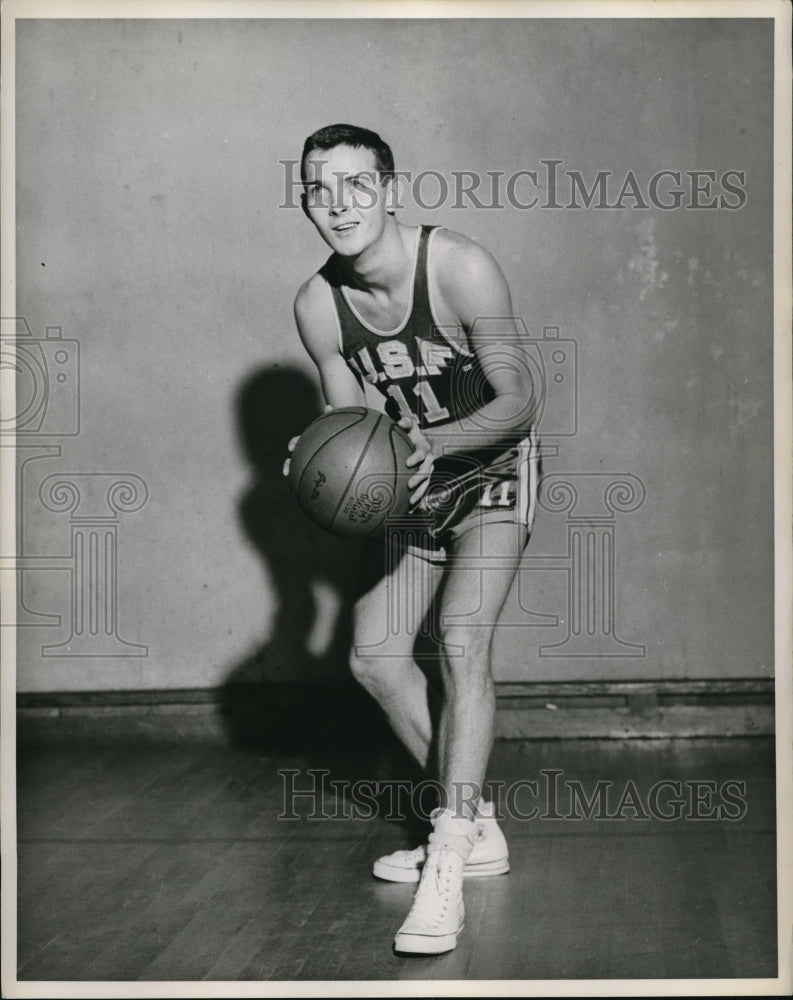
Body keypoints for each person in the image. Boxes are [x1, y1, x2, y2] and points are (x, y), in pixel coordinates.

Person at [283, 124, 540, 955]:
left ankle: (447, 861)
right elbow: (348, 421)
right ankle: (475, 823)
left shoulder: (458, 265)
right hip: (413, 479)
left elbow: (518, 398)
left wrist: (439, 444)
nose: (337, 205)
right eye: (318, 188)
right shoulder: (317, 306)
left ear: (391, 189)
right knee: (374, 658)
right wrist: (312, 456)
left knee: (459, 638)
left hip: (492, 464)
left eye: (355, 184)